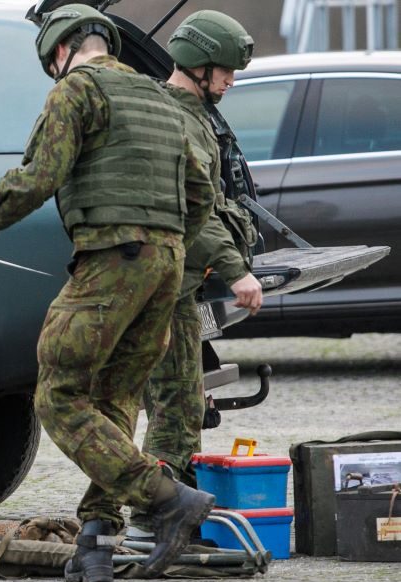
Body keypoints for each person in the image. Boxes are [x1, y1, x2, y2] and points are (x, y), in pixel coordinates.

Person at [0, 3, 217, 582]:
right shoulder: (159, 99)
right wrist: (168, 244)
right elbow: (202, 192)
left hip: (113, 261)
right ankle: (95, 541)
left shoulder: (77, 91)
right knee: (115, 398)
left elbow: (39, 174)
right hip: (166, 268)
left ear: (61, 50)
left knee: (59, 393)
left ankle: (167, 497)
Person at [129, 10, 263, 539]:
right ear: (200, 65)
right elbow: (195, 210)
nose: (231, 81)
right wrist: (237, 272)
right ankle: (153, 518)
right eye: (226, 71)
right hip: (163, 287)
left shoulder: (181, 111)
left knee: (179, 406)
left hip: (171, 283)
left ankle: (167, 515)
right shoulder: (180, 121)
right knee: (174, 410)